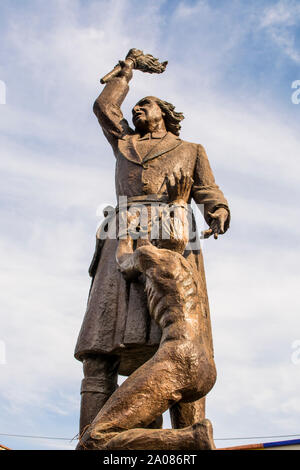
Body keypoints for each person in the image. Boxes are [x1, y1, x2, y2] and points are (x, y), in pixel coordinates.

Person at [74, 57, 230, 436]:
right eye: (135, 106)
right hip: (122, 237)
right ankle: (91, 439)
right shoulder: (124, 141)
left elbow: (206, 188)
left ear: (164, 113)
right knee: (101, 347)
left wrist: (218, 209)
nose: (137, 109)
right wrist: (125, 71)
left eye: (145, 103)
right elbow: (104, 108)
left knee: (185, 345)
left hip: (174, 235)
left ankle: (191, 438)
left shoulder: (190, 148)